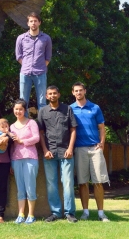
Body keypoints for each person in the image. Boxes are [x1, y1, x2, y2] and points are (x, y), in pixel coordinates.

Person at [38, 85, 77, 223]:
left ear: (59, 94)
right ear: (46, 96)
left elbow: (73, 130)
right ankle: (55, 212)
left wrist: (70, 148)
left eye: (55, 93)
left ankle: (69, 213)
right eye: (50, 94)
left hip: (66, 152)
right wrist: (45, 150)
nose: (52, 95)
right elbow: (41, 133)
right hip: (50, 153)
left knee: (67, 183)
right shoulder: (42, 111)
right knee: (51, 184)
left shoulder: (68, 109)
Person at [71, 82, 110, 222]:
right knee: (82, 182)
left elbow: (101, 127)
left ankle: (101, 214)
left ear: (85, 91)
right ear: (73, 93)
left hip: (95, 148)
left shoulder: (95, 107)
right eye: (76, 91)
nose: (79, 93)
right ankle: (85, 213)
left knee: (98, 182)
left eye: (81, 90)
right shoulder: (70, 109)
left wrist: (102, 143)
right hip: (79, 149)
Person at [15, 12, 52, 115]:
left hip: (40, 73)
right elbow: (18, 56)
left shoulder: (46, 38)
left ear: (39, 22)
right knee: (23, 102)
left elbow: (48, 56)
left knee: (42, 102)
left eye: (35, 21)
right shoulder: (21, 38)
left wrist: (42, 66)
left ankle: (42, 127)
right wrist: (26, 65)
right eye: (31, 21)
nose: (33, 23)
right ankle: (24, 126)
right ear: (28, 23)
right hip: (25, 73)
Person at [10, 98, 40, 224]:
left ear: (25, 110)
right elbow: (11, 146)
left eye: (20, 109)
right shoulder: (11, 126)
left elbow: (37, 138)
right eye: (16, 109)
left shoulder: (31, 123)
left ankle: (31, 215)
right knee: (20, 188)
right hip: (16, 159)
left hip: (30, 158)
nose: (18, 111)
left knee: (30, 187)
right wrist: (11, 163)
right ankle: (21, 214)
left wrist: (23, 141)